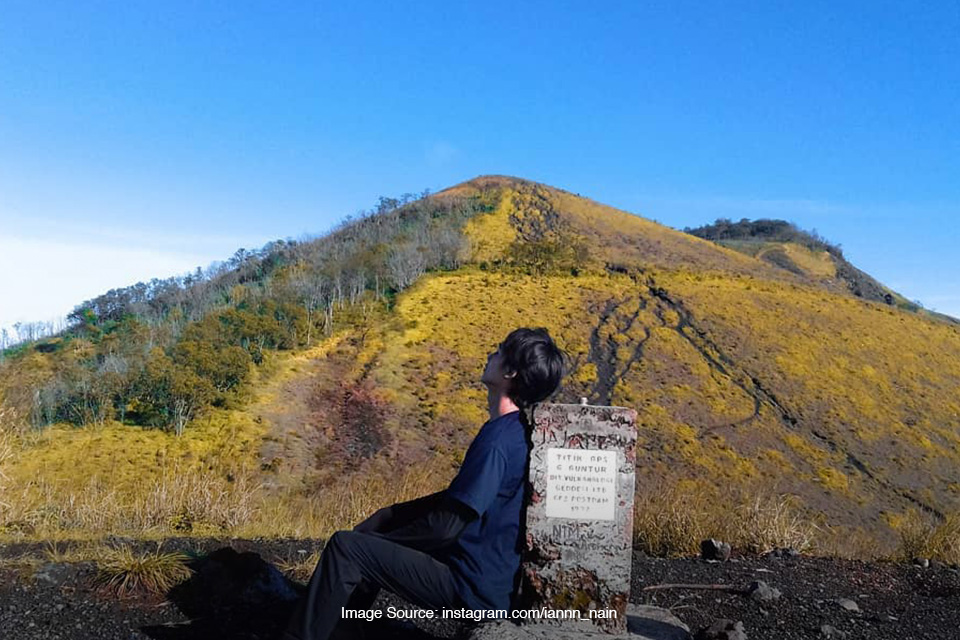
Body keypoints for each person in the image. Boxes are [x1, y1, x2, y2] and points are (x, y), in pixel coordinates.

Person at [282, 327, 566, 640]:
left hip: (471, 589)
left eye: (499, 352)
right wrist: (389, 515)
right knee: (373, 536)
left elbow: (445, 527)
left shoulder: (497, 441)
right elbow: (461, 499)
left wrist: (385, 541)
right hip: (486, 577)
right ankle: (341, 626)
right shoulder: (515, 431)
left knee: (346, 548)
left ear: (511, 371)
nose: (490, 355)